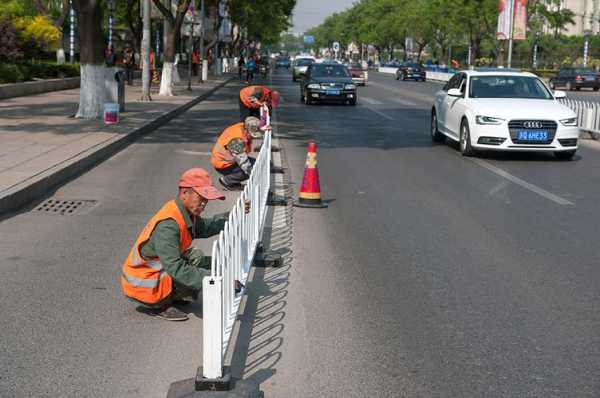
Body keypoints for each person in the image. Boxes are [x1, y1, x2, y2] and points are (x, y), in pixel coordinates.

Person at [121, 168, 230, 321]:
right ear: (185, 193)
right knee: (191, 269)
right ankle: (160, 304)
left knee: (196, 258)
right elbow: (176, 268)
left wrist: (230, 217)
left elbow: (204, 227)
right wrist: (214, 279)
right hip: (143, 284)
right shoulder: (169, 225)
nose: (204, 204)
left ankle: (173, 294)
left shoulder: (183, 212)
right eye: (201, 197)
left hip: (156, 270)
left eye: (206, 199)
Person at [211, 117, 263, 190]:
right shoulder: (236, 140)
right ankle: (227, 181)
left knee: (256, 164)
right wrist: (254, 176)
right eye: (251, 134)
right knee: (250, 169)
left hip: (229, 159)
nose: (253, 137)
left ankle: (233, 180)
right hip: (223, 163)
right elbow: (243, 161)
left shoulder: (243, 126)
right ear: (246, 130)